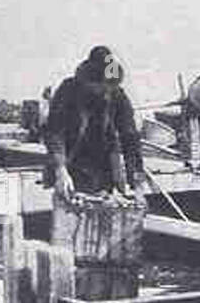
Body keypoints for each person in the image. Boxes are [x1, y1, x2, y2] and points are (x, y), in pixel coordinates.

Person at [44, 45, 144, 200]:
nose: (105, 90)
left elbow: (130, 138)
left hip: (102, 165)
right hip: (72, 161)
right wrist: (60, 169)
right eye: (101, 86)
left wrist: (136, 181)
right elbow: (54, 133)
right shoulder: (68, 91)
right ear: (89, 80)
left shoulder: (116, 94)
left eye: (109, 86)